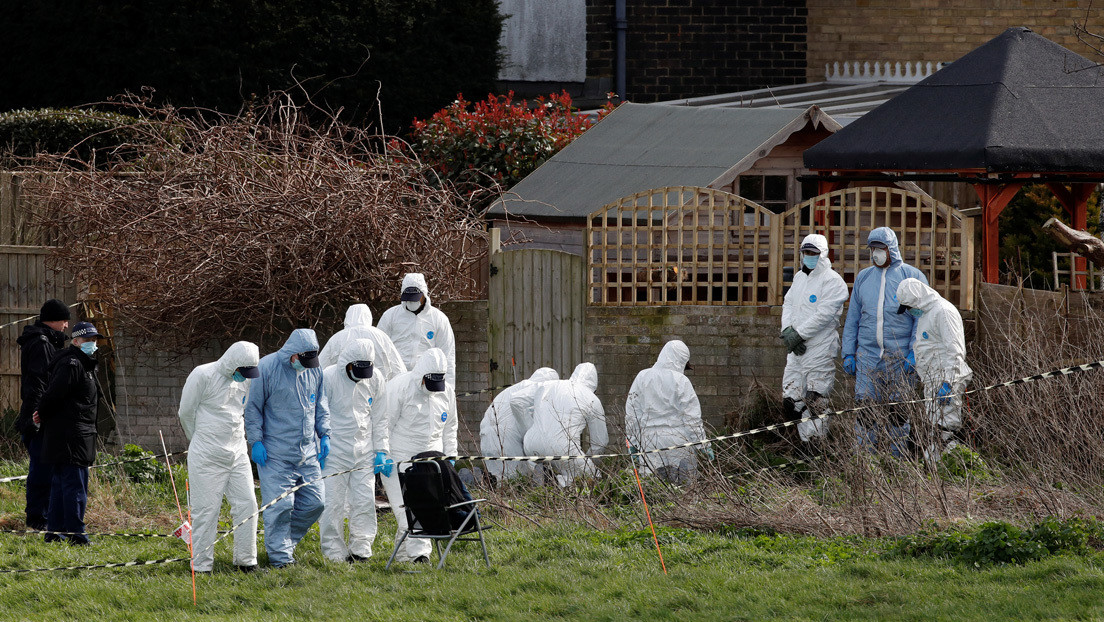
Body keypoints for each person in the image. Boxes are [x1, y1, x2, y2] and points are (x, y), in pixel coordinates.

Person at [243, 328, 331, 568]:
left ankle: (284, 543)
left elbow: (320, 405)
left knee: (316, 503)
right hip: (275, 453)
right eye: (303, 361)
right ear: (293, 354)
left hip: (307, 452)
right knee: (281, 506)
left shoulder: (315, 370)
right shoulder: (267, 368)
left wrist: (325, 435)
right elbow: (253, 409)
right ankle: (280, 559)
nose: (306, 365)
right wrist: (256, 441)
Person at [841, 227, 928, 457]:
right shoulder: (864, 278)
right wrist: (848, 352)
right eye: (872, 249)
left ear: (892, 249)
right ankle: (866, 463)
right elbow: (853, 319)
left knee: (898, 414)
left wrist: (914, 353)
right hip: (868, 358)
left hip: (900, 359)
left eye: (880, 249)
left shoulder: (912, 277)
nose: (876, 254)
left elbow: (921, 321)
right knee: (865, 413)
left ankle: (897, 462)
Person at [178, 341, 262, 573]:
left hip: (237, 452)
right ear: (231, 363)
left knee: (248, 504)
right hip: (206, 454)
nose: (245, 377)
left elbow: (240, 411)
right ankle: (202, 566)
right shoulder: (203, 374)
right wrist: (199, 439)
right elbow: (186, 412)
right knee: (206, 510)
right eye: (242, 372)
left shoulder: (245, 380)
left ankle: (246, 561)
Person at [375, 348, 457, 563]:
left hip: (432, 460)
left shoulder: (446, 391)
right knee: (408, 512)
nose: (432, 390)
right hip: (398, 459)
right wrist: (382, 452)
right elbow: (384, 423)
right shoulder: (399, 388)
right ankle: (418, 556)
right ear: (421, 376)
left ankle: (408, 556)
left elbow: (450, 426)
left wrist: (451, 454)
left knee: (426, 508)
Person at [318, 338, 388, 563]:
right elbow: (317, 413)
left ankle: (361, 548)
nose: (361, 375)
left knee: (364, 501)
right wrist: (320, 441)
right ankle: (334, 551)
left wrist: (381, 450)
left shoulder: (375, 378)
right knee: (332, 503)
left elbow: (380, 417)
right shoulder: (328, 377)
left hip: (364, 451)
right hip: (334, 451)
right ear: (347, 364)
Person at [780, 234, 849, 448]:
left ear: (823, 254)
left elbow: (823, 315)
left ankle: (816, 449)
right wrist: (787, 331)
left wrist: (798, 334)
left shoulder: (833, 282)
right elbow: (788, 304)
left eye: (813, 253)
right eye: (806, 252)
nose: (808, 257)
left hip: (819, 348)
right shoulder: (800, 278)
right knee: (791, 400)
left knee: (815, 400)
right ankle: (802, 446)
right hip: (796, 349)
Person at [38, 321, 102, 545]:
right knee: (75, 488)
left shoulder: (86, 365)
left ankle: (55, 533)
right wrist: (41, 413)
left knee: (60, 486)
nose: (92, 344)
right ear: (75, 341)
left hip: (74, 435)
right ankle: (77, 535)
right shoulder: (73, 365)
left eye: (94, 340)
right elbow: (53, 395)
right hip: (71, 436)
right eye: (88, 340)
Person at [895, 278, 973, 461]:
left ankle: (950, 471)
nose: (909, 311)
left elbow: (955, 351)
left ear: (917, 299)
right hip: (933, 382)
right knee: (935, 428)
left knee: (946, 428)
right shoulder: (926, 313)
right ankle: (936, 470)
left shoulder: (943, 312)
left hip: (946, 382)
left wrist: (948, 383)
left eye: (908, 307)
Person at [16, 299, 70, 530]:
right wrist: (39, 415)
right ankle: (38, 519)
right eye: (65, 321)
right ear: (55, 320)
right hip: (39, 417)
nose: (67, 326)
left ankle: (45, 515)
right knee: (41, 469)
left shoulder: (46, 341)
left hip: (42, 415)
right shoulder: (41, 343)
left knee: (46, 468)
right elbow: (40, 382)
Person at [625, 341, 711, 483]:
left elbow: (632, 415)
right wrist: (703, 445)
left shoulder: (642, 377)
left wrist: (633, 443)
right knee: (684, 491)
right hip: (679, 443)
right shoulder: (681, 381)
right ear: (681, 361)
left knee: (654, 491)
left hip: (649, 443)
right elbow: (692, 419)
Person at [523, 362, 607, 487]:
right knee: (591, 477)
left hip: (530, 445)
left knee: (561, 466)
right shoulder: (591, 398)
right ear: (594, 385)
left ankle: (546, 475)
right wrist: (589, 461)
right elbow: (600, 442)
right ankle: (555, 482)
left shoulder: (549, 385)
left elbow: (524, 405)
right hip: (563, 449)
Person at [479, 367, 559, 483]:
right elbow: (526, 424)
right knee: (515, 481)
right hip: (507, 437)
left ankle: (479, 481)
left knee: (496, 477)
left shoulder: (512, 389)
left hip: (485, 435)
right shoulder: (537, 389)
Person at [377, 273, 457, 388]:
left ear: (424, 294)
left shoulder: (438, 319)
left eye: (415, 297)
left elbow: (447, 355)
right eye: (408, 298)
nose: (411, 302)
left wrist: (448, 389)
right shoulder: (390, 316)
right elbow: (379, 350)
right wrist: (381, 384)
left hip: (426, 382)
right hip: (395, 381)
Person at [318, 303, 407, 380]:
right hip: (378, 388)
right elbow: (397, 365)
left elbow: (321, 366)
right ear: (368, 316)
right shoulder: (380, 336)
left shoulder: (337, 338)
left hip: (344, 391)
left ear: (347, 317)